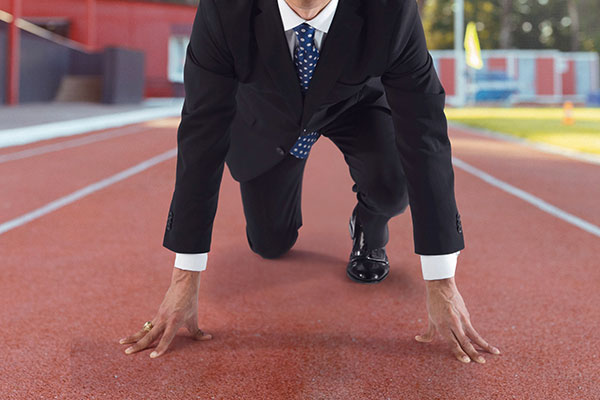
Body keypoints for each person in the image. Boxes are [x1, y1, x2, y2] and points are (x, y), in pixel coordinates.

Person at [120, 0, 501, 363]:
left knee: (391, 183)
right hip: (267, 118)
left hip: (354, 104)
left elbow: (424, 133)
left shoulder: (390, 10)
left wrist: (441, 282)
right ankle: (279, 209)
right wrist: (185, 277)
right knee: (270, 243)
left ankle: (368, 225)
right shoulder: (224, 10)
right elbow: (201, 134)